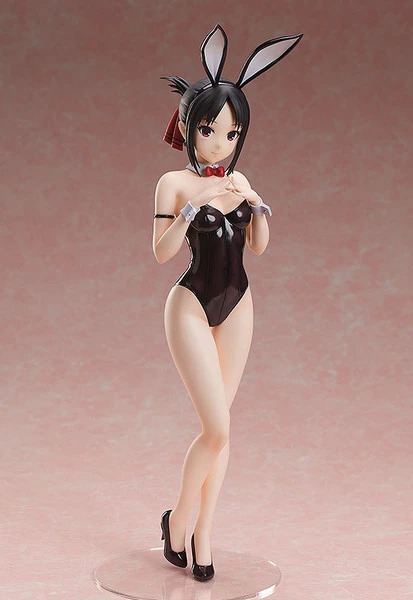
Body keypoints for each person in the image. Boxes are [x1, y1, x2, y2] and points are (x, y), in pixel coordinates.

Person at [153, 24, 302, 581]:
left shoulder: (239, 179)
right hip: (190, 304)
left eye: (232, 133)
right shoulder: (173, 183)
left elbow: (257, 247)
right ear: (190, 125)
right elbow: (161, 253)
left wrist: (256, 204)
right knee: (214, 428)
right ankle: (177, 520)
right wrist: (195, 209)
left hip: (239, 304)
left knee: (225, 430)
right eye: (210, 130)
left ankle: (203, 534)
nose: (220, 143)